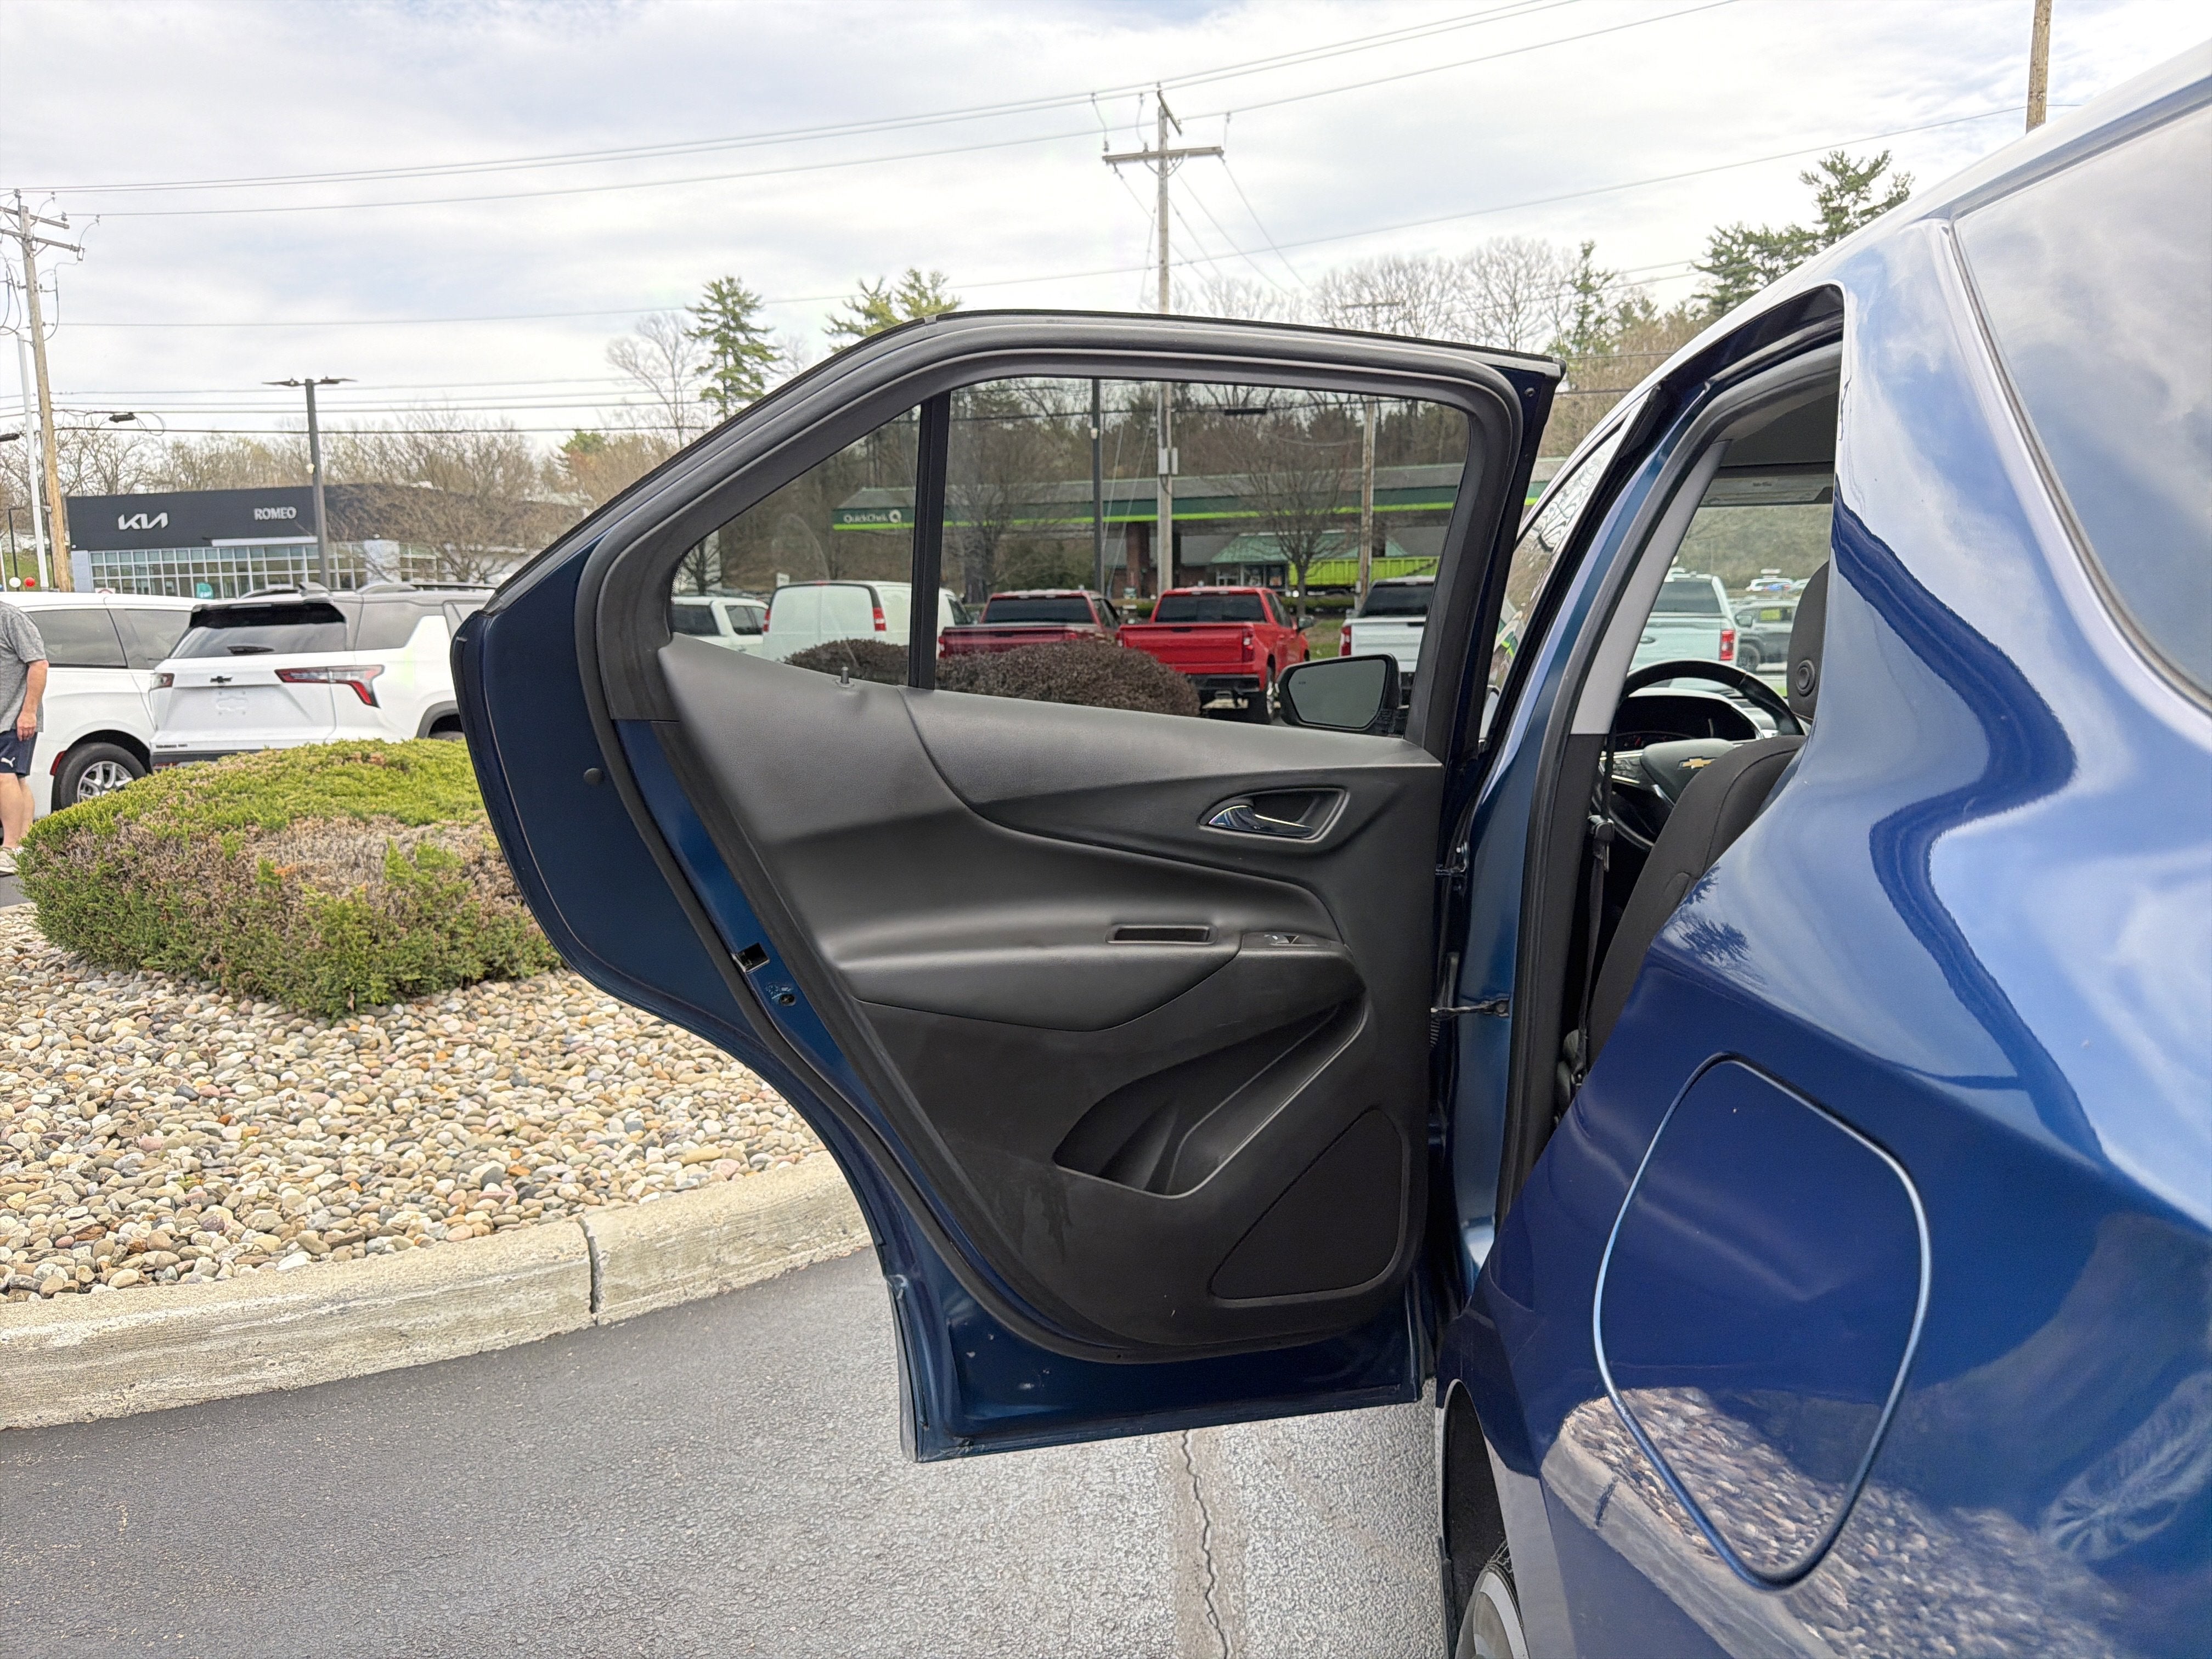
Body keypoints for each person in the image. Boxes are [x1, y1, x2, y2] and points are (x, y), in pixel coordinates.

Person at [0, 597, 49, 877]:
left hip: (15, 716)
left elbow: (39, 665)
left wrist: (28, 712)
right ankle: (25, 845)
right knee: (16, 777)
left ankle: (11, 847)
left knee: (4, 775)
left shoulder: (11, 618)